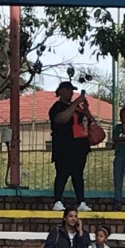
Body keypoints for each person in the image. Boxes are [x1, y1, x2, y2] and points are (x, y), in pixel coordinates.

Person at [49, 80, 91, 211]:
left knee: (78, 175)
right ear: (61, 91)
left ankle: (81, 201)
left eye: (72, 90)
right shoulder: (57, 107)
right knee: (62, 173)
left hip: (80, 147)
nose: (71, 93)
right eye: (68, 90)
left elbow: (89, 121)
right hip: (64, 148)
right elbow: (62, 119)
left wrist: (86, 109)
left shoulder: (78, 108)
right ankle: (57, 200)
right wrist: (76, 103)